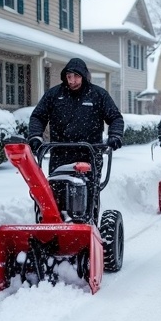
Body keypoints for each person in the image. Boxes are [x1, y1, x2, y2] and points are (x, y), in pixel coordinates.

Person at [27, 57, 124, 219]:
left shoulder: (98, 95)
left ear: (84, 76)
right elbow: (38, 116)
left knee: (89, 193)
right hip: (60, 153)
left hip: (89, 153)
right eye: (69, 77)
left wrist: (115, 135)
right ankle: (51, 227)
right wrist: (35, 136)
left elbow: (115, 118)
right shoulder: (54, 95)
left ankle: (89, 224)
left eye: (76, 76)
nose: (72, 81)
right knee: (54, 193)